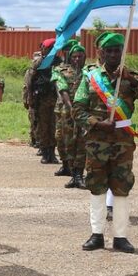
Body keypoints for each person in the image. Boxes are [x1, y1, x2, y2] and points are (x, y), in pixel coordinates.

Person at [73, 32, 138, 253]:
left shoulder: (130, 76)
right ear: (100, 52)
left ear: (122, 52)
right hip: (97, 142)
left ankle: (120, 237)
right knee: (96, 186)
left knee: (122, 187)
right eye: (108, 51)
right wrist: (97, 123)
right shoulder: (90, 77)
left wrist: (130, 79)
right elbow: (77, 110)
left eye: (117, 50)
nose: (113, 55)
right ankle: (97, 234)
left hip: (122, 143)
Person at [52, 44, 87, 188]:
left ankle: (78, 174)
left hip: (85, 113)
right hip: (67, 113)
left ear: (85, 57)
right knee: (67, 142)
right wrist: (72, 109)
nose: (77, 59)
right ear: (70, 58)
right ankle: (71, 171)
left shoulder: (90, 73)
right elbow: (62, 89)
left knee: (82, 143)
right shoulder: (61, 71)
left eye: (80, 56)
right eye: (74, 57)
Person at [27, 38, 60, 164]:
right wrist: (30, 97)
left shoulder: (58, 62)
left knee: (54, 127)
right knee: (43, 127)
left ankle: (52, 153)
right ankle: (45, 153)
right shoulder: (39, 62)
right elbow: (30, 81)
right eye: (45, 48)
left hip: (56, 99)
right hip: (42, 100)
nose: (45, 51)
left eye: (48, 49)